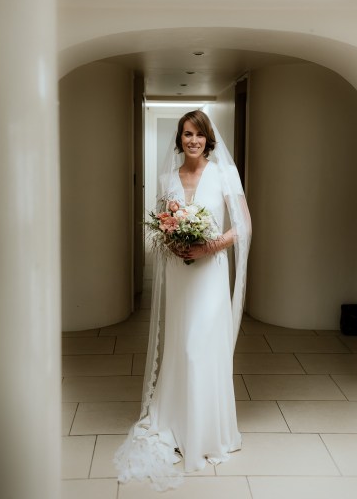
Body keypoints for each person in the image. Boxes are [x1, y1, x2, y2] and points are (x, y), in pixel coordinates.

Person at [114, 110, 252, 491]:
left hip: (208, 275)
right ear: (179, 139)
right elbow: (163, 222)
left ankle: (208, 432)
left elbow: (243, 226)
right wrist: (175, 243)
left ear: (209, 140)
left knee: (201, 347)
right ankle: (174, 421)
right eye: (187, 134)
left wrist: (207, 246)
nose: (193, 140)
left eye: (200, 135)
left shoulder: (224, 174)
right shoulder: (166, 178)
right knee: (180, 344)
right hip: (178, 275)